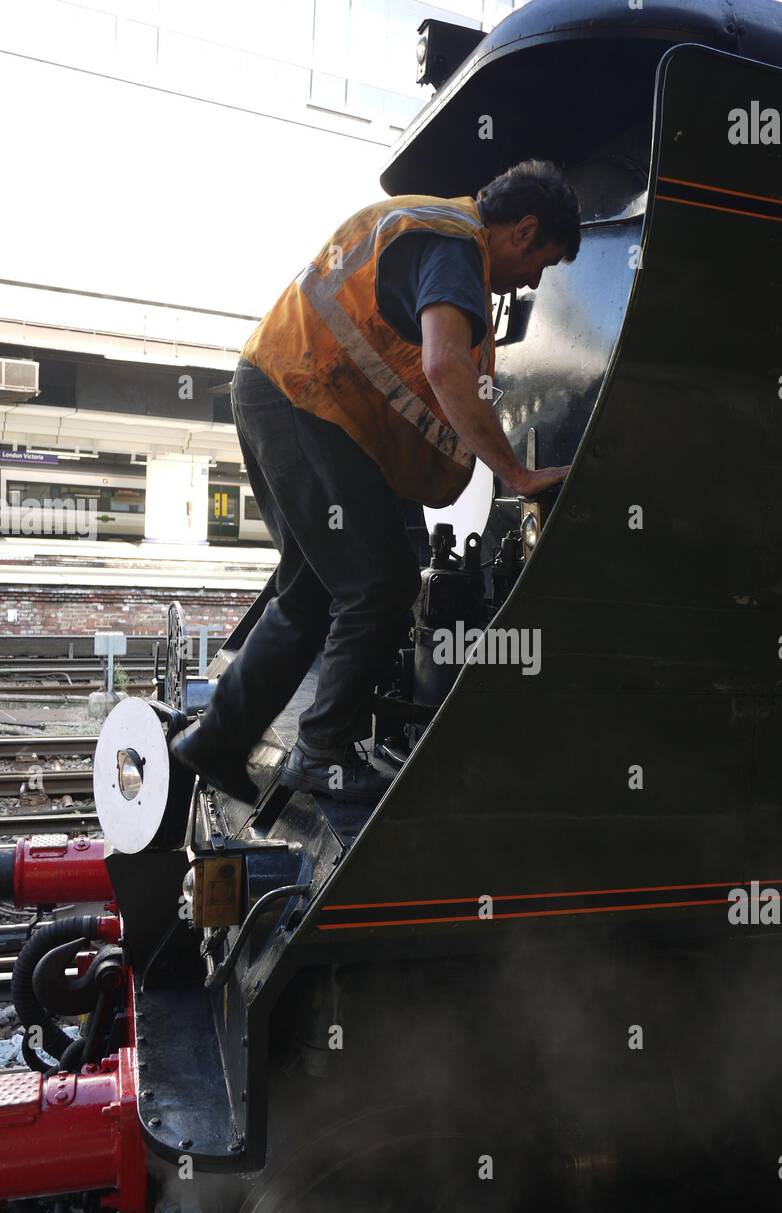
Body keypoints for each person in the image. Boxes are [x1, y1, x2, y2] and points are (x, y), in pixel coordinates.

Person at [172, 158, 580, 805]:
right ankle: (318, 753)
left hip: (278, 389)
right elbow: (445, 367)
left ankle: (215, 742)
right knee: (380, 584)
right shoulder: (456, 244)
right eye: (542, 262)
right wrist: (518, 474)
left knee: (310, 591)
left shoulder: (434, 225)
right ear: (523, 231)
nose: (531, 280)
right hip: (304, 396)